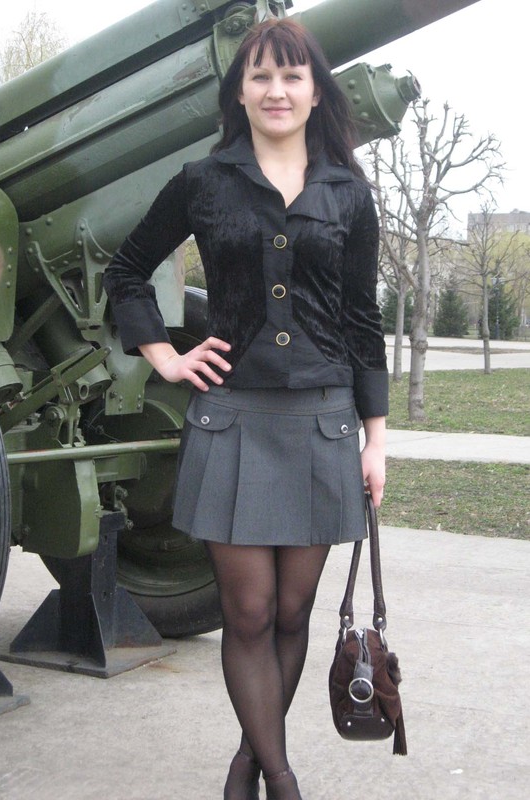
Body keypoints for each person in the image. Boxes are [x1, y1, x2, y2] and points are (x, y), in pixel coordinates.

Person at [104, 16, 388, 800]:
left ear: (315, 91)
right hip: (230, 421)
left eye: (292, 75)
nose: (276, 90)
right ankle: (282, 779)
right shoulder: (203, 181)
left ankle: (245, 766)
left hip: (324, 423)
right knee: (251, 613)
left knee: (294, 614)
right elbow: (127, 270)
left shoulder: (348, 192)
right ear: (238, 91)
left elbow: (362, 321)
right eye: (260, 75)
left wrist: (375, 440)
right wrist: (165, 355)